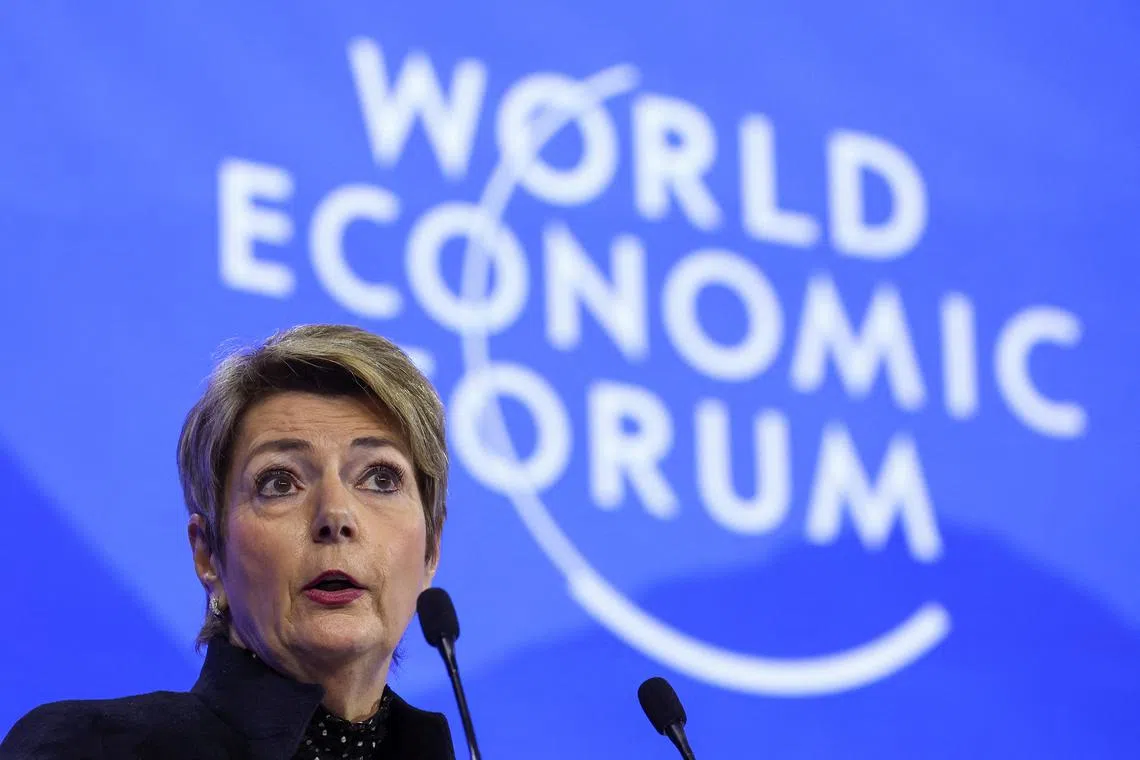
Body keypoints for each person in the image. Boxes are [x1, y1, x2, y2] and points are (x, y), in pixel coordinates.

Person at [1, 325, 456, 759]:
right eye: (280, 483)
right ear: (208, 555)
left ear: (430, 549)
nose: (335, 516)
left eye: (379, 478)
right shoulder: (89, 747)